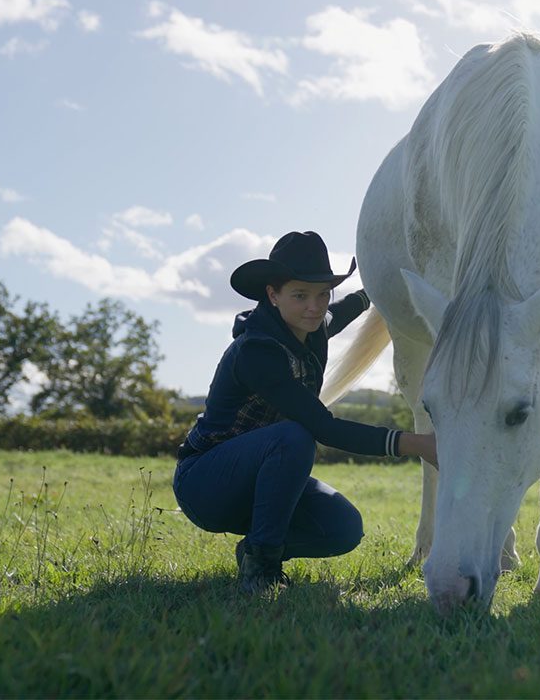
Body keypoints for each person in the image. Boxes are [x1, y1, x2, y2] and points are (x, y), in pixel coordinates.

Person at [173, 231, 437, 593]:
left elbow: (343, 311)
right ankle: (262, 570)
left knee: (343, 528)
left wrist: (376, 288)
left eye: (322, 294)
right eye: (300, 295)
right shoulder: (257, 350)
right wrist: (420, 444)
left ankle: (255, 548)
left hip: (262, 480)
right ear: (272, 294)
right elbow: (323, 427)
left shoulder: (311, 327)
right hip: (206, 485)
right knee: (296, 435)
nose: (315, 306)